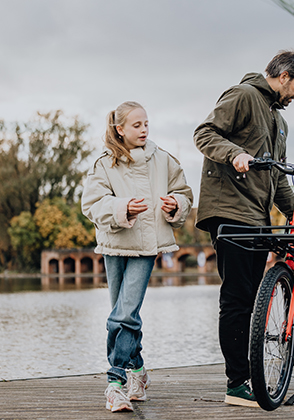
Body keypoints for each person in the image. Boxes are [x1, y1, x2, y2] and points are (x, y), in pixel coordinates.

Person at [193, 50, 294, 407]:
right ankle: (236, 383)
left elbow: (276, 175)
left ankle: (251, 376)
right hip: (229, 212)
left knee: (251, 300)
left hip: (257, 218)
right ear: (282, 76)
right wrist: (234, 154)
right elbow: (204, 133)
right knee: (236, 298)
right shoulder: (243, 96)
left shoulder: (279, 121)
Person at [82, 101, 193, 412]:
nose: (144, 129)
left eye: (146, 124)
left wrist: (175, 205)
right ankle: (139, 371)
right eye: (136, 125)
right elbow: (91, 204)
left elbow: (184, 192)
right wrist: (122, 208)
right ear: (120, 129)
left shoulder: (164, 160)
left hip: (146, 246)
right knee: (122, 314)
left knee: (124, 315)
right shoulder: (104, 164)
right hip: (115, 244)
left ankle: (115, 383)